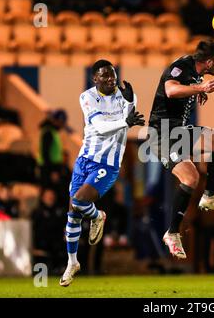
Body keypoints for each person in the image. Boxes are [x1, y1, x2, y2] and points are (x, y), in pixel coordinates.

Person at [60, 59, 145, 286]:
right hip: (85, 159)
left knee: (78, 201)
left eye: (113, 75)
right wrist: (125, 121)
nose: (111, 80)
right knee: (72, 212)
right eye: (105, 76)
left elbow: (130, 117)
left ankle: (98, 216)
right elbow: (99, 127)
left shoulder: (125, 95)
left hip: (107, 165)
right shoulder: (87, 97)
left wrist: (130, 104)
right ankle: (72, 262)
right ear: (95, 78)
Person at [147, 40, 214, 260]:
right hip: (163, 133)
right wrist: (200, 88)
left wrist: (196, 90)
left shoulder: (197, 72)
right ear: (209, 61)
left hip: (179, 130)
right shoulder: (181, 66)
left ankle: (209, 196)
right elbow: (170, 89)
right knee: (191, 178)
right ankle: (172, 233)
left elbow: (184, 89)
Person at [38, 109, 68, 188]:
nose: (62, 126)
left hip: (51, 167)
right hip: (48, 169)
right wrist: (52, 171)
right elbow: (45, 153)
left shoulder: (53, 132)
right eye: (61, 123)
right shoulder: (48, 132)